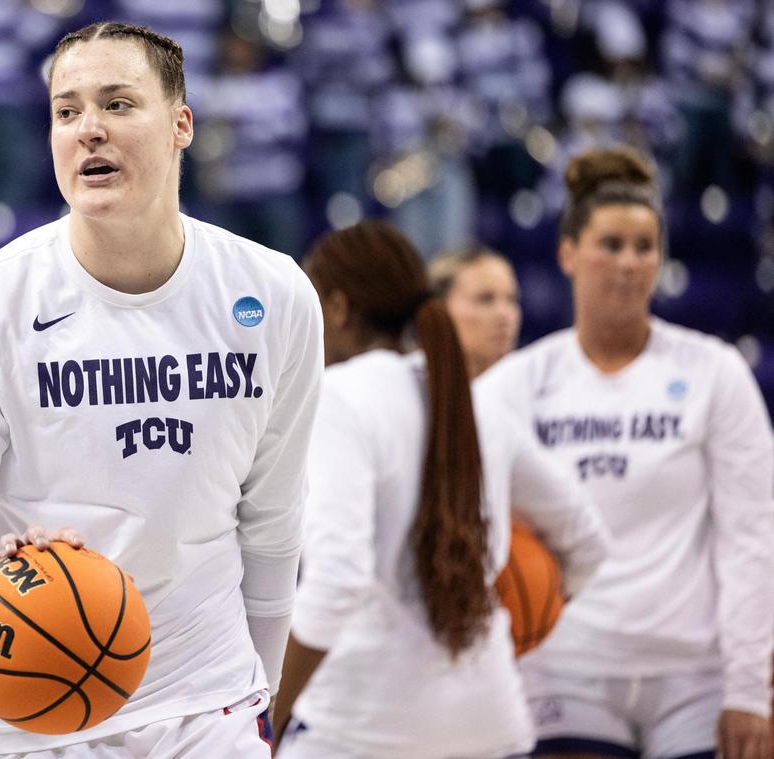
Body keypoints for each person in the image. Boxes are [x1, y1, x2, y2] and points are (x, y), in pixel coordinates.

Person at [0, 21, 323, 758]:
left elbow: (274, 526)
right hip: (22, 713)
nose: (88, 129)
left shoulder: (273, 293)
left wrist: (262, 689)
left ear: (182, 124)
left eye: (118, 103)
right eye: (67, 110)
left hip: (206, 701)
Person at [477, 145, 774, 759]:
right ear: (568, 253)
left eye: (644, 247)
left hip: (695, 673)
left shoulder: (713, 372)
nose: (629, 264)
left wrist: (749, 687)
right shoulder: (516, 384)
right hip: (564, 665)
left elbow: (753, 533)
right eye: (610, 245)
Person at [271, 220, 609, 758]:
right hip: (493, 723)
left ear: (335, 308)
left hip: (362, 728)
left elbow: (337, 578)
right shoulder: (472, 399)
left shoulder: (338, 396)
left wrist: (271, 714)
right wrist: (523, 612)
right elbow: (588, 540)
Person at [428, 245, 521, 379]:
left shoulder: (537, 390)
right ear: (439, 310)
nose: (504, 314)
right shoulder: (404, 387)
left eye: (511, 299)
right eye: (485, 299)